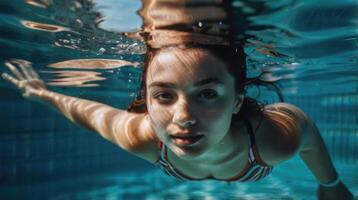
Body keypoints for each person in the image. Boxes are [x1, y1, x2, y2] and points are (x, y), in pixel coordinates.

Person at [1, 1, 354, 199]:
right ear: (147, 99)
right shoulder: (143, 135)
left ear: (236, 99)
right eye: (164, 95)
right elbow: (91, 112)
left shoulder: (272, 140)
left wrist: (330, 182)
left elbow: (305, 130)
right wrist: (42, 92)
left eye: (207, 94)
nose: (183, 117)